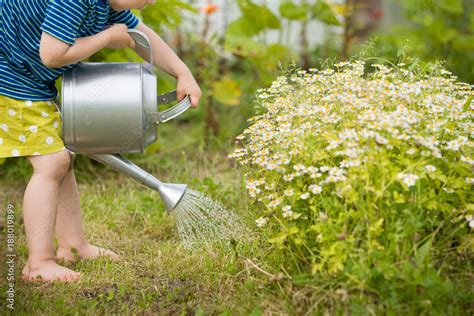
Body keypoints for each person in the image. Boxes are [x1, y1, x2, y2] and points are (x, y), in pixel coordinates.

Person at [0, 0, 201, 282]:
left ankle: (73, 245)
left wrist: (183, 73)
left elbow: (140, 37)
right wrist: (106, 37)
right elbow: (52, 55)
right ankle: (38, 263)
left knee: (62, 158)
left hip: (27, 79)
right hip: (9, 80)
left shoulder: (107, 3)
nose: (152, 1)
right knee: (51, 163)